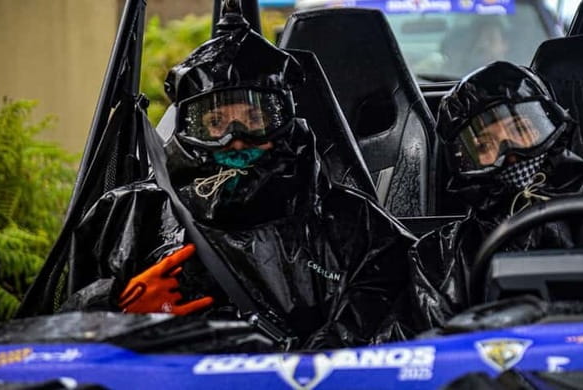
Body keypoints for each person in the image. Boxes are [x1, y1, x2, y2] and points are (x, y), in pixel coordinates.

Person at [63, 28, 416, 349]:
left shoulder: (358, 227)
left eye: (253, 118)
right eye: (215, 123)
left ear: (283, 120)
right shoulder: (131, 216)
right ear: (189, 128)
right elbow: (56, 341)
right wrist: (115, 310)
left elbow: (381, 347)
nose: (235, 139)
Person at [409, 61, 583, 330]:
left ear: (550, 123)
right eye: (485, 145)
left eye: (520, 130)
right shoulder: (443, 260)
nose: (510, 153)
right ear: (463, 162)